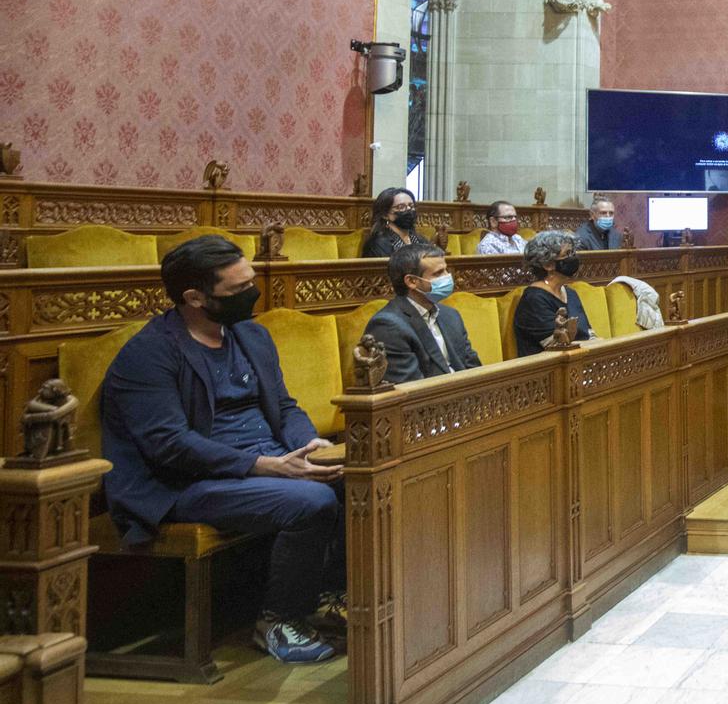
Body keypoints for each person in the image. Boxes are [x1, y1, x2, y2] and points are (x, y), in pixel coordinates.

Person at [98, 235, 345, 664]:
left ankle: (335, 596)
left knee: (354, 477)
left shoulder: (250, 334)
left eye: (250, 281)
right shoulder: (149, 354)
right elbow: (169, 447)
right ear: (195, 297)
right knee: (313, 500)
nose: (251, 294)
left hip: (261, 463)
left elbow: (284, 405)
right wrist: (264, 466)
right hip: (185, 483)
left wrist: (308, 445)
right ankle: (278, 621)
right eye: (237, 290)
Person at [362, 242, 481, 382]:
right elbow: (412, 389)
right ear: (412, 281)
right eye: (438, 273)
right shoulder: (388, 326)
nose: (448, 277)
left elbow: (474, 368)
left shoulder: (451, 315)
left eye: (446, 270)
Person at [513, 230, 596, 356]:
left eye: (573, 253)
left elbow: (588, 334)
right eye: (567, 254)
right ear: (548, 265)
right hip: (549, 369)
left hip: (581, 359)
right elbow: (556, 347)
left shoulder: (571, 293)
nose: (573, 258)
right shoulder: (534, 299)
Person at [359, 187, 434, 259]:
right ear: (385, 215)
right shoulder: (377, 244)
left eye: (411, 206)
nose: (408, 209)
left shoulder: (421, 240)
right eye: (401, 207)